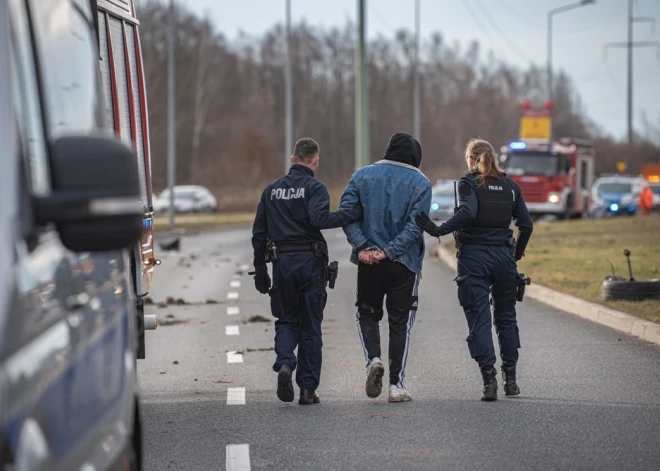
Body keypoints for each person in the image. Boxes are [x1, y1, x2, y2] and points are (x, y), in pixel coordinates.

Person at [416, 138, 533, 402]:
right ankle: (511, 381)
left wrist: (437, 229)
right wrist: (515, 255)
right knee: (506, 317)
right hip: (504, 257)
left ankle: (489, 381)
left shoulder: (468, 183)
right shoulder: (510, 185)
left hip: (473, 257)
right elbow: (526, 225)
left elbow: (468, 213)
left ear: (470, 159)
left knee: (479, 317)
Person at [251, 137, 362, 405]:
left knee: (287, 319)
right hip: (311, 264)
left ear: (292, 159)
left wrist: (260, 271)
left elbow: (259, 234)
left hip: (282, 265)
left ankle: (286, 363)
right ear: (315, 160)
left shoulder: (271, 190)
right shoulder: (315, 187)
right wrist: (351, 214)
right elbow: (320, 219)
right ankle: (308, 390)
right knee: (311, 326)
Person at [339, 132, 432, 402]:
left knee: (366, 314)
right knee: (400, 323)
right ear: (416, 157)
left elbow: (347, 215)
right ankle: (396, 386)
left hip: (368, 264)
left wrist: (364, 247)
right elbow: (417, 226)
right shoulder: (422, 183)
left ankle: (373, 360)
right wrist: (389, 252)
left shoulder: (361, 176)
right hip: (404, 264)